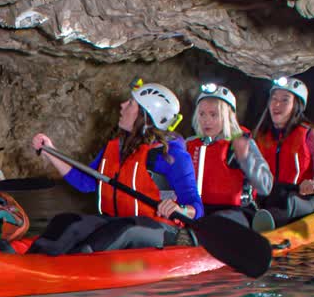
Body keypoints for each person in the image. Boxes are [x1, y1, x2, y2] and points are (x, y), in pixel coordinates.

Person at [27, 80, 203, 254]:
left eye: (131, 104)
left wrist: (180, 209)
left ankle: (79, 263)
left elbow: (196, 207)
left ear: (145, 116)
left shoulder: (173, 156)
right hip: (114, 221)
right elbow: (85, 182)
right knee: (68, 222)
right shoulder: (117, 146)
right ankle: (34, 258)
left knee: (123, 230)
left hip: (158, 230)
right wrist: (50, 152)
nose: (122, 105)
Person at [185, 83, 275, 231]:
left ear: (227, 116)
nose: (206, 120)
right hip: (198, 210)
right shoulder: (189, 144)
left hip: (236, 212)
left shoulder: (241, 143)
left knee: (214, 223)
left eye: (213, 115)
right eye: (202, 114)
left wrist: (246, 158)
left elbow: (266, 187)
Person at [253, 76, 314, 225]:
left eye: (285, 100)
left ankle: (266, 225)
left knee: (288, 202)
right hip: (271, 197)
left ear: (297, 105)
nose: (277, 104)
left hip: (303, 198)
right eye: (273, 99)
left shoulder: (313, 136)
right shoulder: (259, 137)